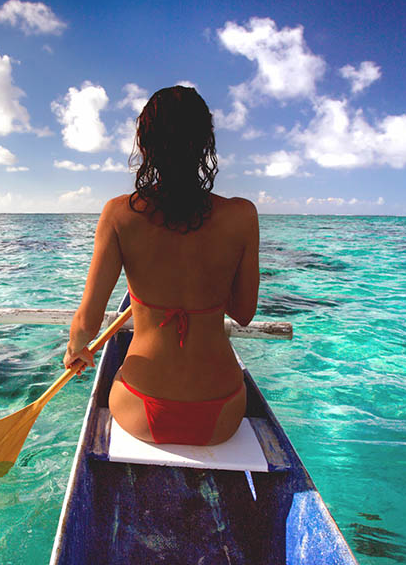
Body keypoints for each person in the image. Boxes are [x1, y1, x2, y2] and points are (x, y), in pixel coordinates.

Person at [62, 85, 259, 446]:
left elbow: (87, 323)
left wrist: (75, 349)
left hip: (140, 407)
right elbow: (244, 312)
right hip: (223, 412)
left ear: (145, 143)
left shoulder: (118, 215)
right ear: (205, 143)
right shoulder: (242, 215)